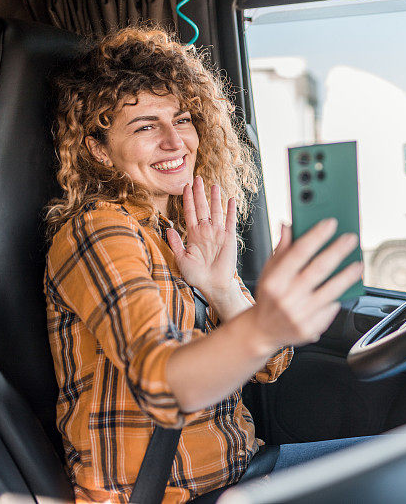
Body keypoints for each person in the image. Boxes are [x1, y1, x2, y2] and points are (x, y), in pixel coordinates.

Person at [44, 26, 365, 503]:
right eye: (146, 126)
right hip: (170, 495)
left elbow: (272, 364)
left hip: (243, 470)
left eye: (183, 119)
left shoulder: (184, 227)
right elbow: (164, 384)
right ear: (97, 149)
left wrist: (220, 287)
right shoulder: (98, 231)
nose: (176, 142)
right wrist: (261, 325)